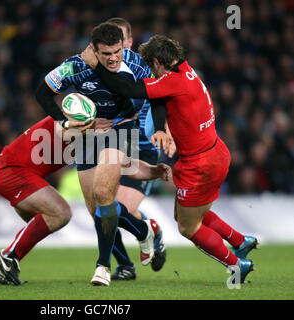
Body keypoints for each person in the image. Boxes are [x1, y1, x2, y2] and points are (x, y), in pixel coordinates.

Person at [81, 34, 258, 283]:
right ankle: (240, 241)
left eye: (152, 67)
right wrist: (163, 128)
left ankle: (236, 265)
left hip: (199, 164)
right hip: (216, 152)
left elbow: (130, 89)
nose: (152, 73)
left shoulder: (173, 81)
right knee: (191, 213)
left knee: (188, 227)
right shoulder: (187, 71)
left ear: (157, 62)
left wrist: (97, 64)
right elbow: (161, 99)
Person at [36, 22, 172, 286]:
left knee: (103, 194)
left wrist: (163, 128)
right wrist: (65, 122)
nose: (113, 58)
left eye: (116, 52)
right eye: (106, 54)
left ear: (123, 46)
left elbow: (157, 97)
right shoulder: (74, 66)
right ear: (94, 50)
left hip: (122, 128)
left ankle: (103, 266)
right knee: (95, 208)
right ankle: (143, 230)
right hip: (88, 134)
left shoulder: (135, 63)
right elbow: (42, 92)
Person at [0, 116, 172, 285]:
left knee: (55, 219)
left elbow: (124, 164)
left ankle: (4, 269)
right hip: (12, 171)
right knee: (61, 213)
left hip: (13, 170)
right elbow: (60, 126)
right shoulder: (80, 118)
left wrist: (154, 171)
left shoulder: (93, 131)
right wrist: (80, 125)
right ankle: (8, 256)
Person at [106, 17, 175, 280]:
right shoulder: (102, 69)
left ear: (130, 41)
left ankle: (151, 230)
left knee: (117, 208)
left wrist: (167, 132)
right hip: (112, 147)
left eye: (121, 39)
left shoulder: (144, 69)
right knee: (101, 209)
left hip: (141, 149)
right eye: (111, 41)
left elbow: (163, 103)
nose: (117, 45)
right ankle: (124, 265)